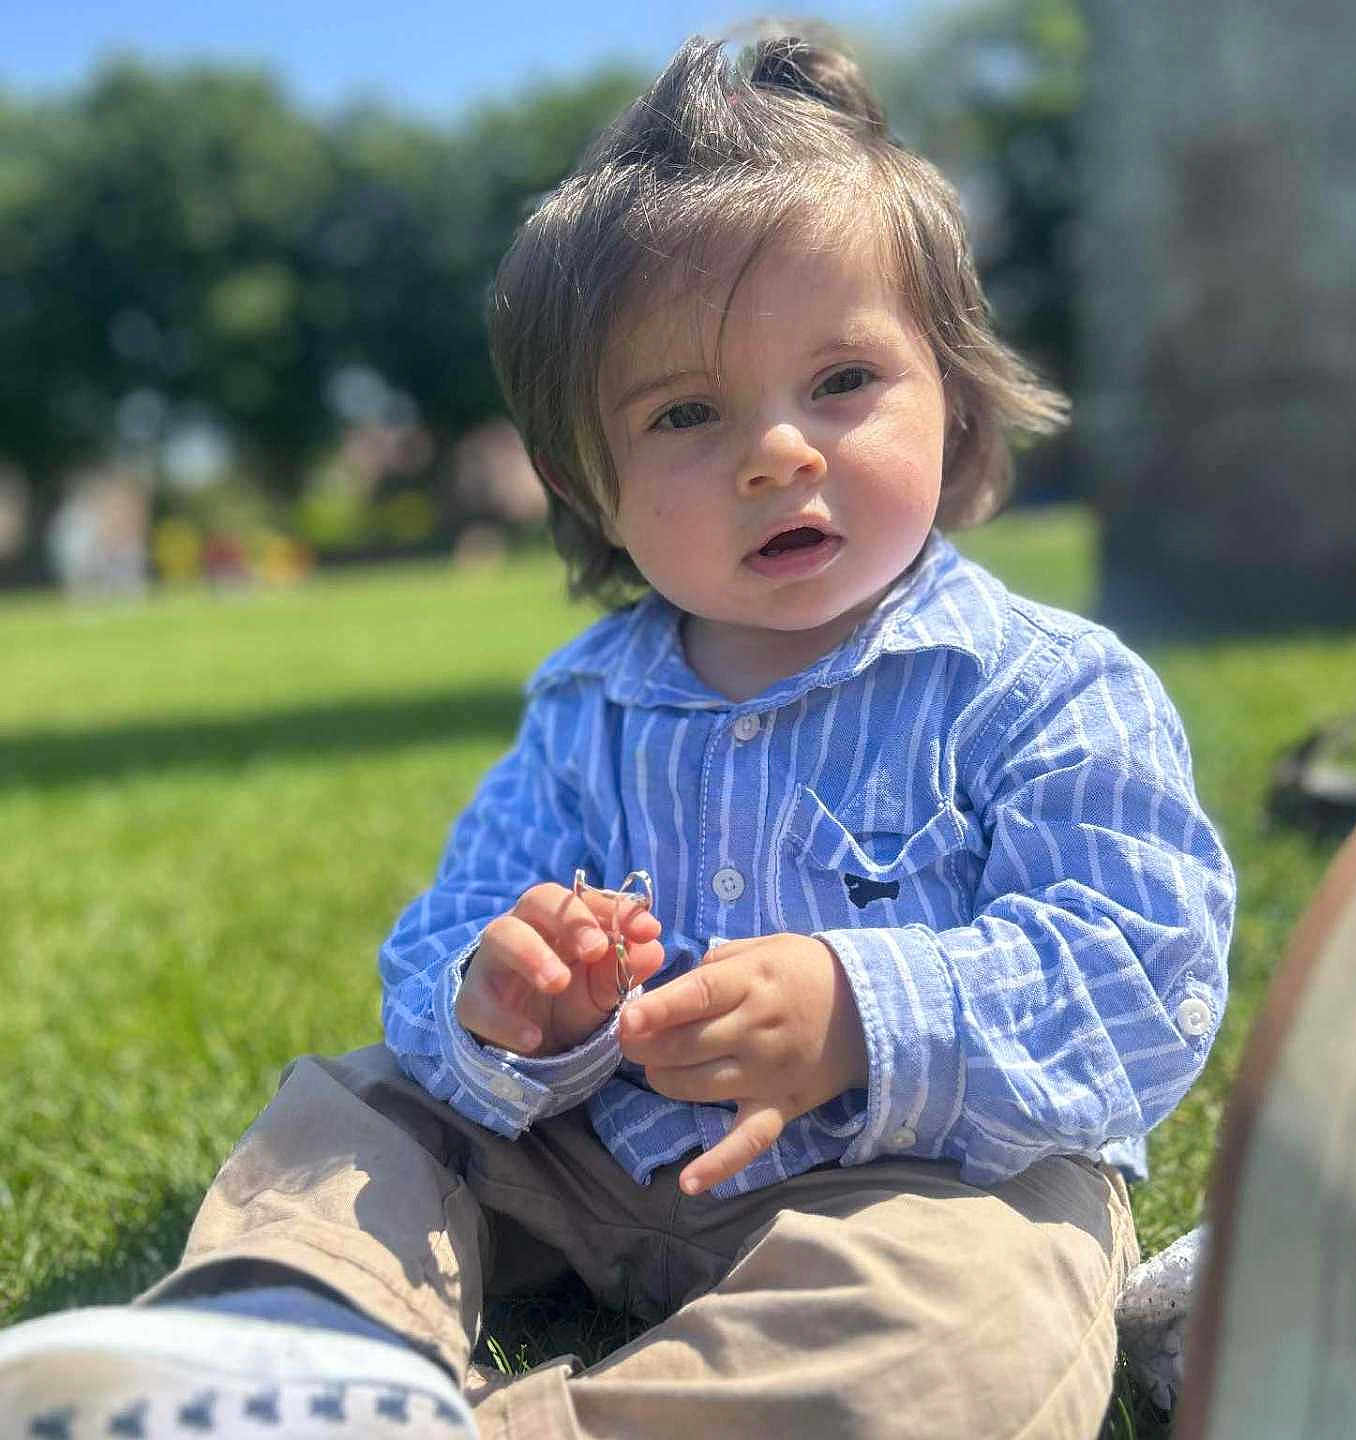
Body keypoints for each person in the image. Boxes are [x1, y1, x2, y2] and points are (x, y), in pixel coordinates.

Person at [0, 34, 1235, 1440]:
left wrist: (868, 1010)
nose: (778, 451)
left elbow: (1144, 967)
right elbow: (452, 929)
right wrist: (507, 998)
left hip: (922, 1185)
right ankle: (299, 1332)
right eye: (688, 414)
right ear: (591, 483)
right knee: (364, 1112)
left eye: (842, 382)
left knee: (981, 1322)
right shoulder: (590, 707)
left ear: (950, 394)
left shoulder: (1046, 690)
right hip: (593, 1157)